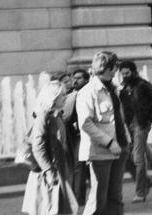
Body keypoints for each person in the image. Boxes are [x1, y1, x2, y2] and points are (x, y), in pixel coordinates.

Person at [75, 50, 127, 215]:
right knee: (98, 200)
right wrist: (109, 142)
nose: (117, 70)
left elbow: (119, 117)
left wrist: (126, 139)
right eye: (115, 66)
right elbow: (85, 123)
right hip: (100, 152)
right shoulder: (88, 91)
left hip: (120, 148)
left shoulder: (114, 88)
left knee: (116, 199)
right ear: (107, 67)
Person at [23, 75, 74, 215]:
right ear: (53, 97)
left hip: (61, 168)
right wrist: (48, 171)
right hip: (49, 171)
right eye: (62, 95)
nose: (65, 97)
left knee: (61, 208)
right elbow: (38, 147)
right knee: (50, 208)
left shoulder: (57, 115)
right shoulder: (43, 117)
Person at [115, 59, 152, 203]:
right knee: (128, 156)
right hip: (130, 126)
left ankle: (141, 192)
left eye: (127, 73)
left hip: (141, 125)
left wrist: (150, 118)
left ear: (134, 72)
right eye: (122, 73)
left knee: (137, 158)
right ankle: (146, 180)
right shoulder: (124, 90)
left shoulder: (142, 85)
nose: (125, 76)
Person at [61, 68, 90, 209]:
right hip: (81, 135)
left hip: (92, 135)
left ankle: (80, 198)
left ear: (86, 80)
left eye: (79, 78)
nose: (75, 81)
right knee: (78, 166)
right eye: (74, 78)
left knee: (81, 167)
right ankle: (78, 199)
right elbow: (68, 118)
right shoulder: (74, 96)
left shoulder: (88, 93)